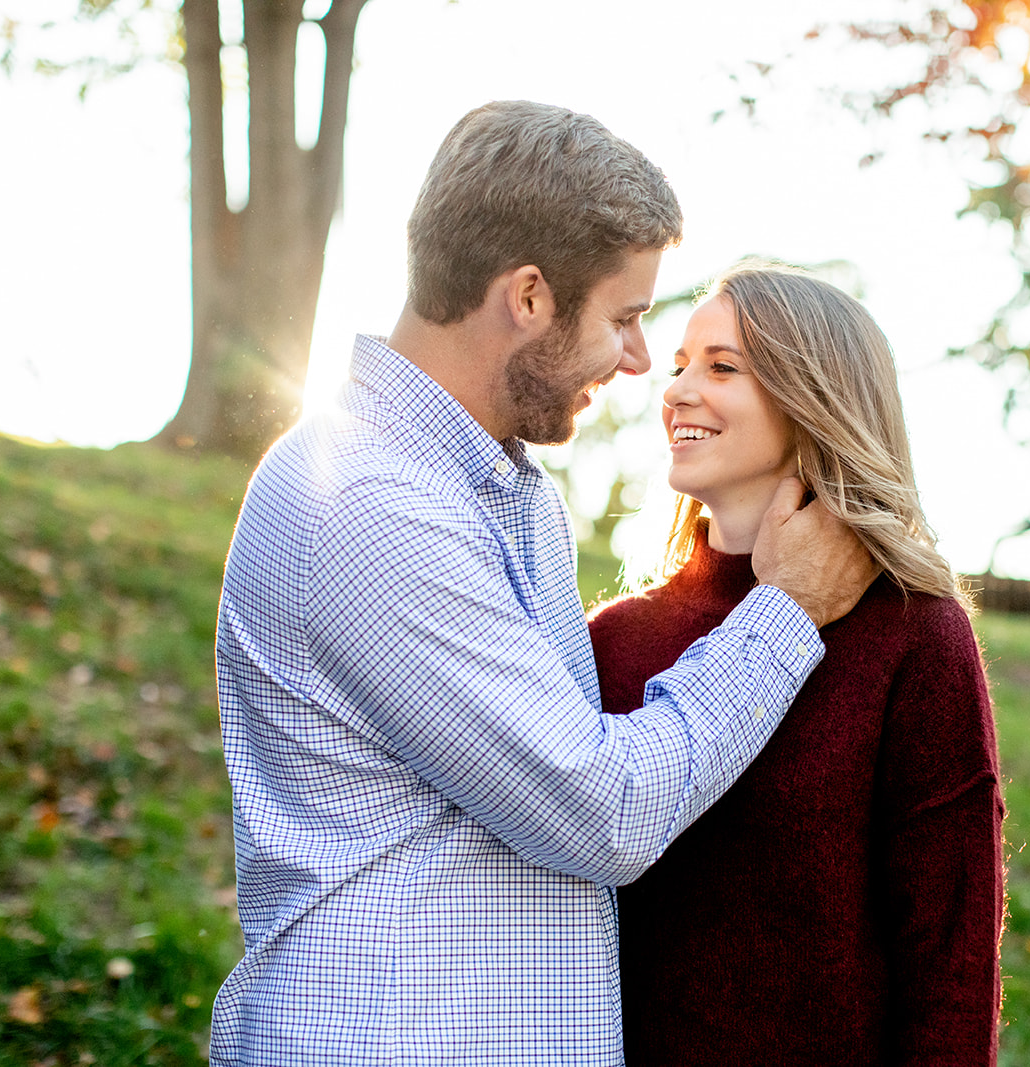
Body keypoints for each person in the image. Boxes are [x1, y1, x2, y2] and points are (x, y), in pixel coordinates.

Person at [209, 103, 877, 1065]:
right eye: (625, 318)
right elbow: (598, 809)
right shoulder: (365, 500)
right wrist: (785, 612)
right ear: (528, 296)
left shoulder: (506, 494)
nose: (642, 361)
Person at [589, 264, 1006, 1066]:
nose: (676, 390)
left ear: (812, 396)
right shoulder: (611, 640)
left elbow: (950, 953)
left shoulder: (916, 635)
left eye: (721, 366)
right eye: (679, 363)